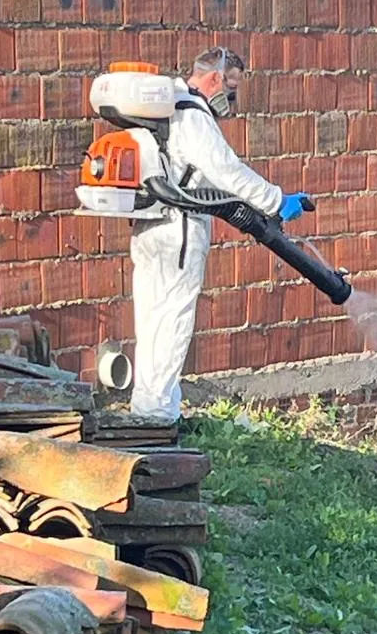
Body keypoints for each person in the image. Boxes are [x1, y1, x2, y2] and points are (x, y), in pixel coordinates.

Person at [129, 46, 309, 423]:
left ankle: (151, 407)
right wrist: (276, 201)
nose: (232, 97)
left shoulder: (166, 108)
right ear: (214, 79)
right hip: (178, 230)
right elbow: (227, 171)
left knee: (152, 318)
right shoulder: (192, 115)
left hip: (151, 227)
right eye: (232, 86)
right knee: (173, 320)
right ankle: (157, 417)